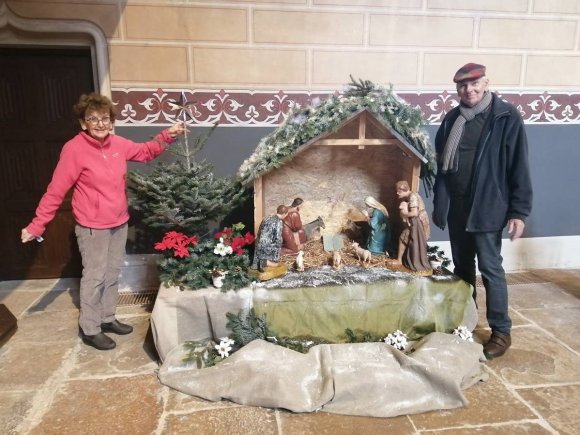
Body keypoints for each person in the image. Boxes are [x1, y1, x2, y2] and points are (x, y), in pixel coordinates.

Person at [20, 93, 186, 351]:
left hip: (118, 222)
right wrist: (37, 225)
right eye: (93, 119)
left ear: (111, 122)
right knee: (95, 277)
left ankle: (107, 318)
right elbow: (56, 190)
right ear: (83, 123)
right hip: (91, 227)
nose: (100, 124)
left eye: (105, 119)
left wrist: (169, 134)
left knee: (112, 273)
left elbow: (145, 152)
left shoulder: (118, 143)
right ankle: (90, 327)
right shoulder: (74, 149)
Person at [432, 63, 532, 359]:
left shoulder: (505, 117)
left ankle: (501, 331)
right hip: (458, 207)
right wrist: (440, 204)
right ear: (457, 89)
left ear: (486, 83)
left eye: (475, 84)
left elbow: (519, 166)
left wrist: (519, 212)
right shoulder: (452, 120)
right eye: (462, 85)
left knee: (490, 269)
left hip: (488, 206)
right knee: (462, 268)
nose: (469, 90)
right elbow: (441, 167)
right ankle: (466, 322)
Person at [395, 181, 431, 272]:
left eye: (399, 191)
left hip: (417, 222)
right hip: (416, 221)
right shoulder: (411, 196)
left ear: (404, 190)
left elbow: (414, 213)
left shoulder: (412, 197)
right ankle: (400, 260)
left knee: (407, 239)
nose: (397, 193)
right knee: (404, 238)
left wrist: (404, 213)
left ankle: (410, 261)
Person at [251, 205, 289, 272]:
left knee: (260, 244)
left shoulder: (267, 218)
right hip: (268, 246)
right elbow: (277, 237)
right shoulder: (278, 222)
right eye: (286, 214)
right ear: (284, 214)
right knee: (278, 247)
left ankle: (256, 263)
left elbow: (259, 231)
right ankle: (266, 262)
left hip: (259, 244)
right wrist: (280, 245)